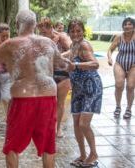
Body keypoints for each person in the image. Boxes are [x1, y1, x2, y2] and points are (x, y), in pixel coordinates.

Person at [0, 10, 69, 168]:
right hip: (47, 98)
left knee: (12, 147)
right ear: (35, 24)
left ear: (16, 25)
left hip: (23, 99)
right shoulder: (49, 42)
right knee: (49, 147)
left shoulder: (10, 44)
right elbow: (63, 64)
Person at [63, 19, 102, 167]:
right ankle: (82, 155)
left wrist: (76, 65)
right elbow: (66, 55)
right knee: (76, 124)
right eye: (72, 31)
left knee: (84, 124)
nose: (75, 33)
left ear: (83, 31)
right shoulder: (74, 45)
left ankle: (93, 154)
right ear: (69, 33)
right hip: (78, 90)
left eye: (78, 30)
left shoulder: (84, 45)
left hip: (91, 88)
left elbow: (95, 64)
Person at [37, 17, 72, 138]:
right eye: (41, 32)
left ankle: (59, 128)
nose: (43, 35)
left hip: (62, 73)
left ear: (51, 28)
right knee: (47, 102)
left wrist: (59, 56)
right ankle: (48, 126)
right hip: (47, 74)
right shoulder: (40, 40)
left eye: (45, 32)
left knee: (60, 102)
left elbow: (72, 49)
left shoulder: (61, 37)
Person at [107, 17, 135, 119]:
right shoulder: (119, 37)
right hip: (120, 64)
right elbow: (110, 50)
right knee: (119, 85)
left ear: (134, 26)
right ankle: (118, 107)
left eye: (130, 24)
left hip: (133, 65)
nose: (127, 26)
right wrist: (110, 58)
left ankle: (128, 109)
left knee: (131, 86)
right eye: (125, 24)